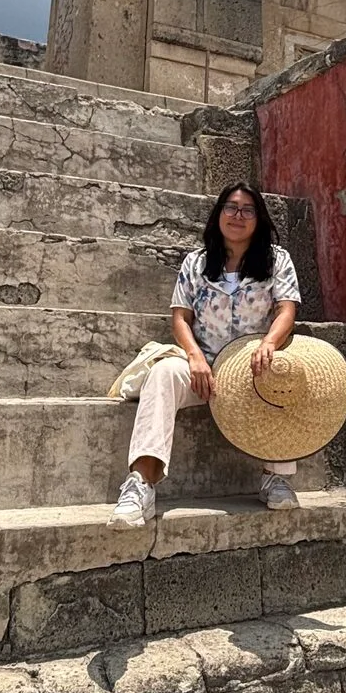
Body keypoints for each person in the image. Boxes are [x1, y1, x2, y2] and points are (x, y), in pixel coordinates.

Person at [112, 182, 302, 526]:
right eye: (231, 207)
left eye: (247, 210)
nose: (238, 216)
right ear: (218, 215)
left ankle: (276, 477)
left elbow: (286, 310)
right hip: (204, 368)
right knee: (164, 374)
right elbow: (180, 318)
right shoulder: (196, 262)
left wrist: (269, 344)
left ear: (258, 219)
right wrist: (194, 357)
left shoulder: (277, 260)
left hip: (250, 367)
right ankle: (141, 485)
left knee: (282, 371)